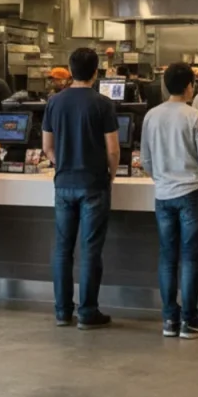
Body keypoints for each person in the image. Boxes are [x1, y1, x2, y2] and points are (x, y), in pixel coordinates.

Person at [42, 47, 119, 330]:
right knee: (90, 250)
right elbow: (113, 149)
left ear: (70, 70)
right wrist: (111, 174)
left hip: (64, 184)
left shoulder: (54, 102)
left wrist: (63, 162)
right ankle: (87, 312)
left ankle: (62, 312)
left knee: (63, 249)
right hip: (94, 183)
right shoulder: (103, 104)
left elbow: (47, 147)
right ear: (96, 72)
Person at [141, 63, 198, 339]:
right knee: (191, 258)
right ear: (189, 86)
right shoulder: (195, 116)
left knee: (167, 258)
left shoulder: (151, 116)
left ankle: (169, 320)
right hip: (191, 193)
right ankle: (190, 321)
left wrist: (161, 179)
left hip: (163, 195)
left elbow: (145, 159)